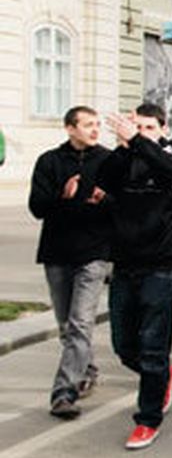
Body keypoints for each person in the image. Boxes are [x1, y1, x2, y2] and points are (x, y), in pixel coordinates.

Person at [97, 105, 172, 449]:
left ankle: (148, 419)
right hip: (124, 262)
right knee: (124, 345)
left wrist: (139, 141)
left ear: (162, 128)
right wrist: (126, 147)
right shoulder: (123, 157)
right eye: (135, 126)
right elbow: (104, 179)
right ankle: (161, 376)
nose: (140, 132)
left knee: (153, 345)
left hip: (160, 265)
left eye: (148, 127)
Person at [28, 105, 114, 420]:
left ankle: (64, 393)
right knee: (66, 324)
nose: (95, 130)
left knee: (80, 322)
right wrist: (63, 197)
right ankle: (85, 368)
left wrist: (104, 200)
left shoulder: (109, 161)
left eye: (97, 124)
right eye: (88, 124)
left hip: (94, 253)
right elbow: (37, 207)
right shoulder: (49, 161)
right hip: (57, 252)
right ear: (70, 128)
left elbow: (123, 207)